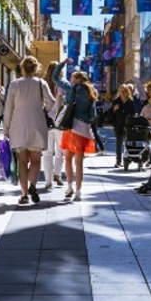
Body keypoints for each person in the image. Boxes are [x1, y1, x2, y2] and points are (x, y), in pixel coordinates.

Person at [3, 56, 54, 205]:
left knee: (22, 163)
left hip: (18, 127)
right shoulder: (41, 83)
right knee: (36, 161)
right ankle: (33, 186)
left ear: (22, 68)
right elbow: (51, 104)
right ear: (35, 69)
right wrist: (42, 106)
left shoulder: (14, 85)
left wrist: (6, 128)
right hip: (37, 125)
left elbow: (8, 109)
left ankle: (24, 195)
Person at [54, 58, 97, 200]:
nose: (70, 79)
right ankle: (79, 191)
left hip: (72, 127)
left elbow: (55, 77)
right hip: (84, 129)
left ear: (78, 79)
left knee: (68, 159)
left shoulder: (72, 89)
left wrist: (63, 63)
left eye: (72, 77)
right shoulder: (91, 92)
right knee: (79, 162)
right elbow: (93, 116)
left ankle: (69, 188)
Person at [42, 61, 66, 190]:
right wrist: (55, 115)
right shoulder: (60, 85)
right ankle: (57, 174)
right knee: (60, 152)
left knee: (47, 153)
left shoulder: (43, 84)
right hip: (58, 122)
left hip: (45, 123)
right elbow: (59, 103)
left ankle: (48, 181)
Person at [111, 84, 138, 168]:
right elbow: (110, 114)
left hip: (128, 125)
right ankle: (118, 161)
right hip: (118, 125)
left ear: (127, 92)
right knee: (119, 143)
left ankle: (127, 160)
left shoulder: (130, 101)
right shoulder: (116, 101)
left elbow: (133, 113)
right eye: (121, 91)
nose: (122, 93)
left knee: (127, 144)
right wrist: (114, 110)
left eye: (124, 91)